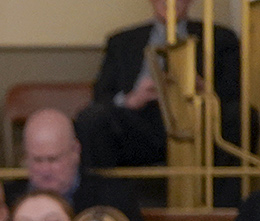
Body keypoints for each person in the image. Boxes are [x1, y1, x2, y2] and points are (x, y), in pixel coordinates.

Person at [76, 0, 242, 188]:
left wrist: (205, 92)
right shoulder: (121, 41)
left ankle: (223, 207)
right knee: (91, 119)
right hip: (140, 125)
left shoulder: (221, 38)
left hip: (199, 125)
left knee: (241, 116)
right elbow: (101, 96)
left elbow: (233, 94)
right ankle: (104, 202)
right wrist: (131, 99)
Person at [6, 110, 149, 221]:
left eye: (53, 159)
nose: (45, 170)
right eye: (37, 160)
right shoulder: (8, 200)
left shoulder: (115, 198)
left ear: (75, 151)